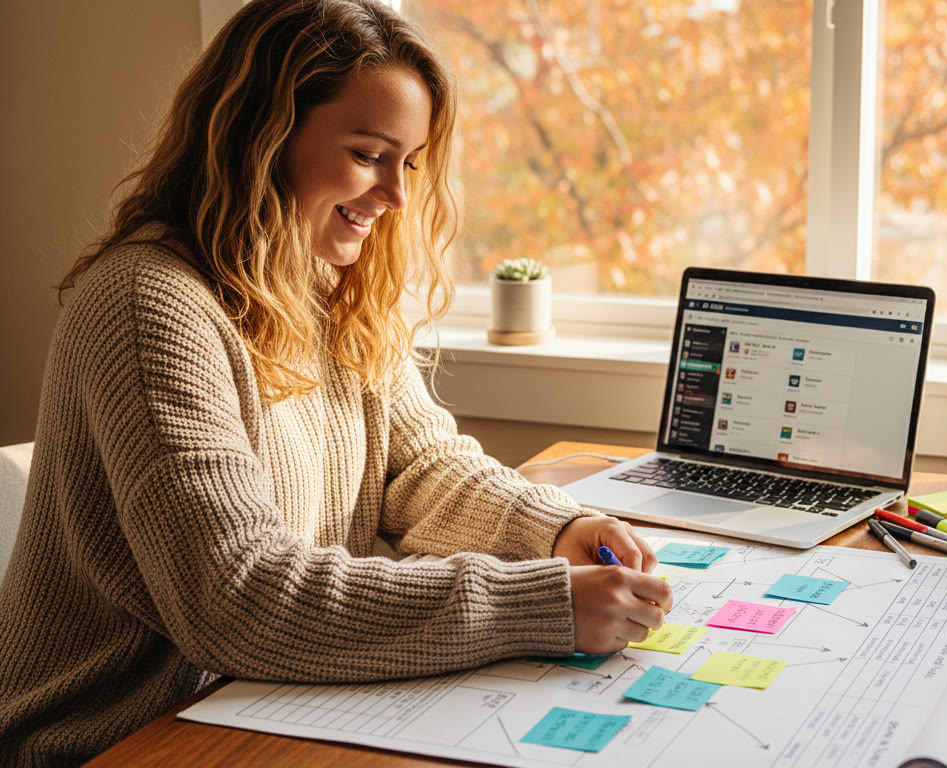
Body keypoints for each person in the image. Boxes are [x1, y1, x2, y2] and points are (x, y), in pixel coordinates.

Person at [0, 1, 671, 764]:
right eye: (368, 154)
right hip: (111, 735)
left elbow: (418, 468)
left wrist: (554, 530)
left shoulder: (324, 285)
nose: (396, 195)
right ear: (262, 135)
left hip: (264, 704)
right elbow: (239, 596)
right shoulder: (146, 303)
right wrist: (537, 605)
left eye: (408, 162)